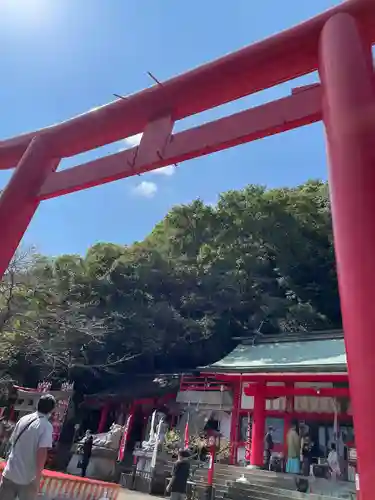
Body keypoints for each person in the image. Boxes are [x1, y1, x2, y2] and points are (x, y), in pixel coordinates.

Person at [0, 393, 56, 500]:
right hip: (27, 478)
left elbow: (12, 442)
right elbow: (41, 453)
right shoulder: (46, 426)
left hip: (10, 471)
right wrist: (37, 479)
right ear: (51, 410)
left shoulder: (24, 419)